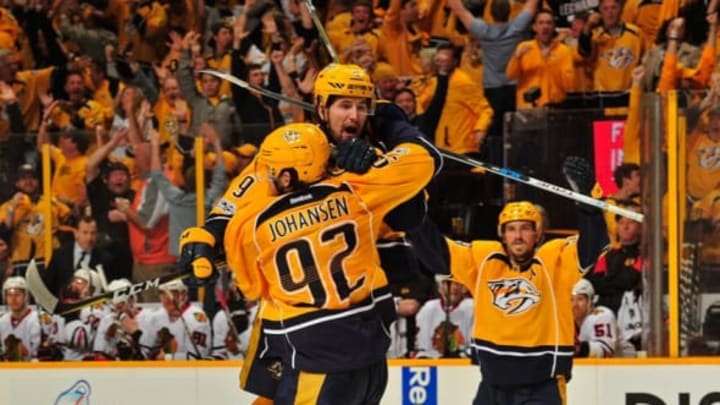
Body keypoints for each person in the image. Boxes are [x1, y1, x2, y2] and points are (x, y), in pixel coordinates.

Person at [187, 120, 438, 404]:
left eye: (269, 172)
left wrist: (212, 245)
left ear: (286, 178)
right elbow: (423, 160)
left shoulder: (251, 226)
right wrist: (383, 149)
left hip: (314, 357)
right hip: (369, 357)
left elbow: (253, 288)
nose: (264, 179)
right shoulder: (356, 191)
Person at [408, 201, 606, 404]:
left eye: (525, 228)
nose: (518, 236)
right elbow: (437, 253)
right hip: (492, 386)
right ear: (502, 235)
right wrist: (411, 212)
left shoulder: (555, 262)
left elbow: (592, 247)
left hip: (541, 387)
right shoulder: (485, 261)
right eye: (511, 229)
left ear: (537, 234)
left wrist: (588, 206)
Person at [414, 276, 474, 359]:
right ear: (440, 288)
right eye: (448, 283)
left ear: (464, 288)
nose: (454, 287)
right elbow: (423, 348)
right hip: (434, 361)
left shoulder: (472, 307)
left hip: (464, 363)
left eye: (457, 283)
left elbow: (474, 348)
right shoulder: (428, 308)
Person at [572, 278, 618, 358]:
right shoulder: (567, 323)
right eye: (571, 299)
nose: (575, 304)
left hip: (627, 366)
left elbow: (606, 352)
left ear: (591, 301)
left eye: (580, 299)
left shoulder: (602, 315)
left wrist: (578, 348)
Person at [0, 277, 41, 361]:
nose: (13, 299)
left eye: (17, 295)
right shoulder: (2, 321)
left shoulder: (38, 319)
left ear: (25, 296)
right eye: (9, 295)